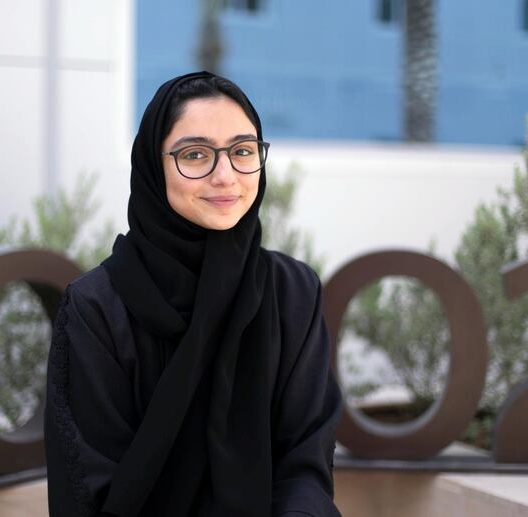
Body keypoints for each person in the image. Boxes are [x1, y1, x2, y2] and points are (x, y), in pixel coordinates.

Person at [44, 71, 342, 516]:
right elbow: (87, 487)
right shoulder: (97, 308)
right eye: (197, 155)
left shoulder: (293, 292)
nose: (226, 176)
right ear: (152, 166)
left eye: (243, 151)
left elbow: (305, 466)